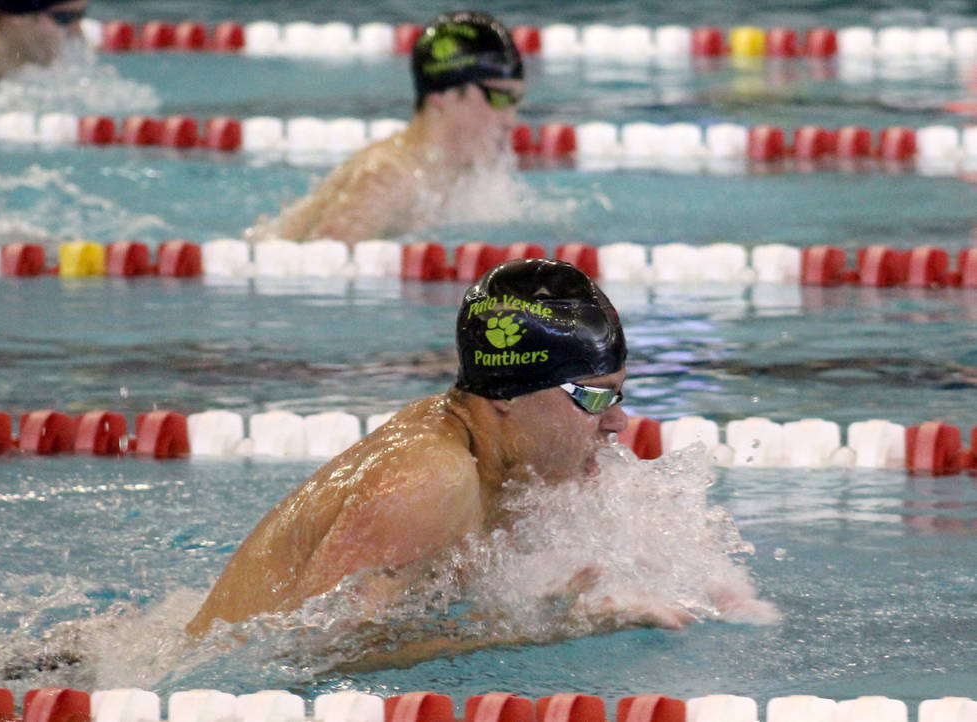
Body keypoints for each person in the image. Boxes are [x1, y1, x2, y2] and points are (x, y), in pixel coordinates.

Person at [187, 259, 651, 654]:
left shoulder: (494, 452)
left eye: (618, 395)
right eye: (594, 398)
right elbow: (310, 647)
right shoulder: (429, 478)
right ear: (510, 392)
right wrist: (549, 628)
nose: (617, 422)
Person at [244, 10, 524, 245]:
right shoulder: (387, 177)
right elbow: (325, 263)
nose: (511, 119)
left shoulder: (459, 175)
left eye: (515, 101)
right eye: (499, 97)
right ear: (443, 94)